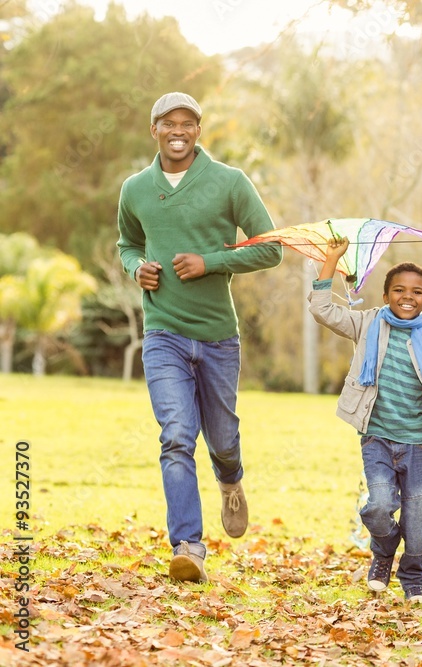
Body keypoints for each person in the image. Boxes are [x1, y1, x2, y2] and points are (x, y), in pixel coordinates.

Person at [117, 92, 283, 583]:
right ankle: (189, 545)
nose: (178, 130)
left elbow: (270, 249)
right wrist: (136, 269)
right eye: (169, 122)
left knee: (223, 438)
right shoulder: (134, 189)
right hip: (162, 331)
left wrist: (210, 261)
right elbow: (127, 243)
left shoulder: (229, 182)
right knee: (175, 437)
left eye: (188, 123)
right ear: (155, 129)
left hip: (217, 337)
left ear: (198, 130)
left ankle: (230, 479)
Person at [308, 236, 422, 604]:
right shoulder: (367, 325)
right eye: (398, 290)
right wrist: (331, 260)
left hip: (416, 444)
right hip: (377, 438)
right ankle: (384, 551)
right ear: (385, 296)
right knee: (379, 507)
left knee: (419, 522)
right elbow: (321, 308)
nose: (407, 296)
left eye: (416, 291)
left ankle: (413, 578)